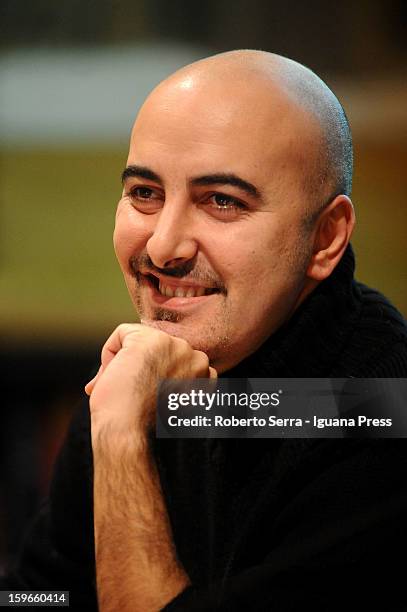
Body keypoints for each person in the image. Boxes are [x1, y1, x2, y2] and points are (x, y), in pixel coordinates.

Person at [3, 50, 407, 610]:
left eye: (221, 202)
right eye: (145, 193)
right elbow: (44, 593)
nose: (163, 247)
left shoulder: (379, 415)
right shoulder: (145, 376)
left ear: (326, 238)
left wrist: (122, 441)